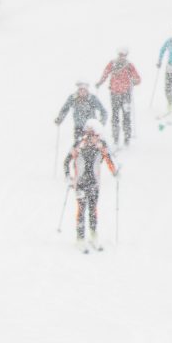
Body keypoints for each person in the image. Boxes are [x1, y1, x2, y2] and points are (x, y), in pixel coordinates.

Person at [63, 119, 119, 252]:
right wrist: (68, 177)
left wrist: (115, 173)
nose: (91, 138)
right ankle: (80, 238)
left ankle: (94, 235)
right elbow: (66, 161)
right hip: (80, 183)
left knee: (93, 210)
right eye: (89, 135)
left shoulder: (101, 146)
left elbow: (109, 161)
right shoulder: (78, 145)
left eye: (94, 135)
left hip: (94, 183)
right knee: (81, 210)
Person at [96, 47, 141, 146]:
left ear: (126, 55)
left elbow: (138, 78)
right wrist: (100, 82)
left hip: (126, 95)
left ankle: (127, 138)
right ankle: (116, 138)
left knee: (126, 117)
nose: (122, 57)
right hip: (114, 94)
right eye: (120, 55)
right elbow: (105, 73)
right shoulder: (112, 63)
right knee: (115, 116)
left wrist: (134, 81)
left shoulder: (129, 65)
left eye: (123, 55)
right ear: (118, 54)